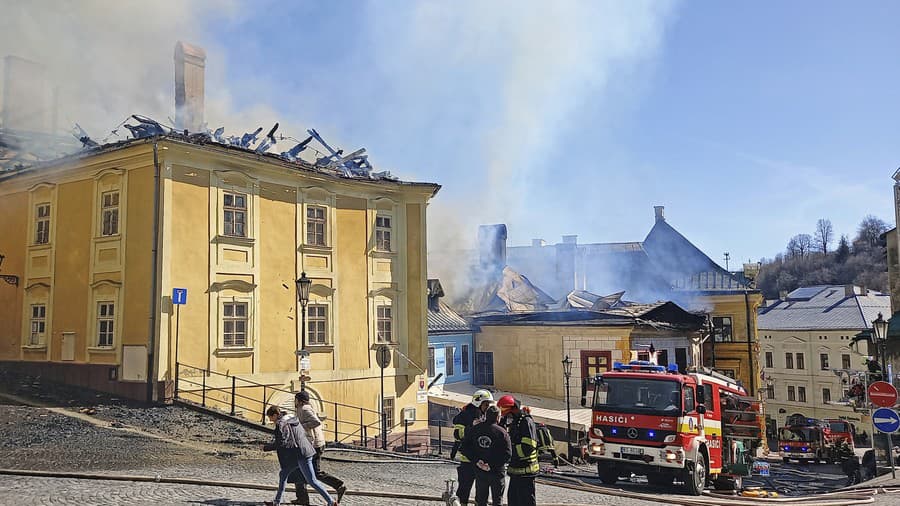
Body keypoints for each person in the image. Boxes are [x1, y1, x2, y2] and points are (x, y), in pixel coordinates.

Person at [262, 405, 336, 506]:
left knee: (312, 481)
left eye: (271, 417)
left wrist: (266, 447)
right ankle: (276, 502)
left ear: (275, 415)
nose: (270, 420)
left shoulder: (281, 424)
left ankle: (331, 502)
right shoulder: (291, 417)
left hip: (301, 454)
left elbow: (282, 442)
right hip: (305, 449)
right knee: (283, 474)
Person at [290, 391, 347, 505]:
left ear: (299, 400)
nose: (294, 401)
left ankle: (339, 486)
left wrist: (300, 426)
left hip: (315, 445)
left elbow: (316, 422)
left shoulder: (305, 409)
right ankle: (302, 498)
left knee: (314, 474)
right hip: (311, 444)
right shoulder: (303, 408)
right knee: (299, 470)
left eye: (295, 399)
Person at [461, 405, 511, 506]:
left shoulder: (475, 429)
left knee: (480, 500)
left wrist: (476, 461)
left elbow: (464, 448)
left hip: (480, 471)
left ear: (486, 415)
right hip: (496, 472)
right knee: (497, 500)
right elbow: (508, 454)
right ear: (498, 417)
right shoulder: (502, 433)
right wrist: (491, 465)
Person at [452, 389, 494, 505]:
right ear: (478, 402)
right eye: (486, 404)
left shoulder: (484, 415)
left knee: (482, 492)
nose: (488, 407)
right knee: (464, 490)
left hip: (481, 460)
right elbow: (457, 434)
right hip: (467, 460)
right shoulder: (464, 416)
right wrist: (472, 427)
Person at [497, 395, 538, 506]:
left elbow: (528, 447)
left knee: (526, 501)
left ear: (514, 410)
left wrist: (510, 451)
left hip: (526, 471)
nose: (507, 418)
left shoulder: (526, 422)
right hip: (515, 471)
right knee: (513, 500)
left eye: (508, 415)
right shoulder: (516, 421)